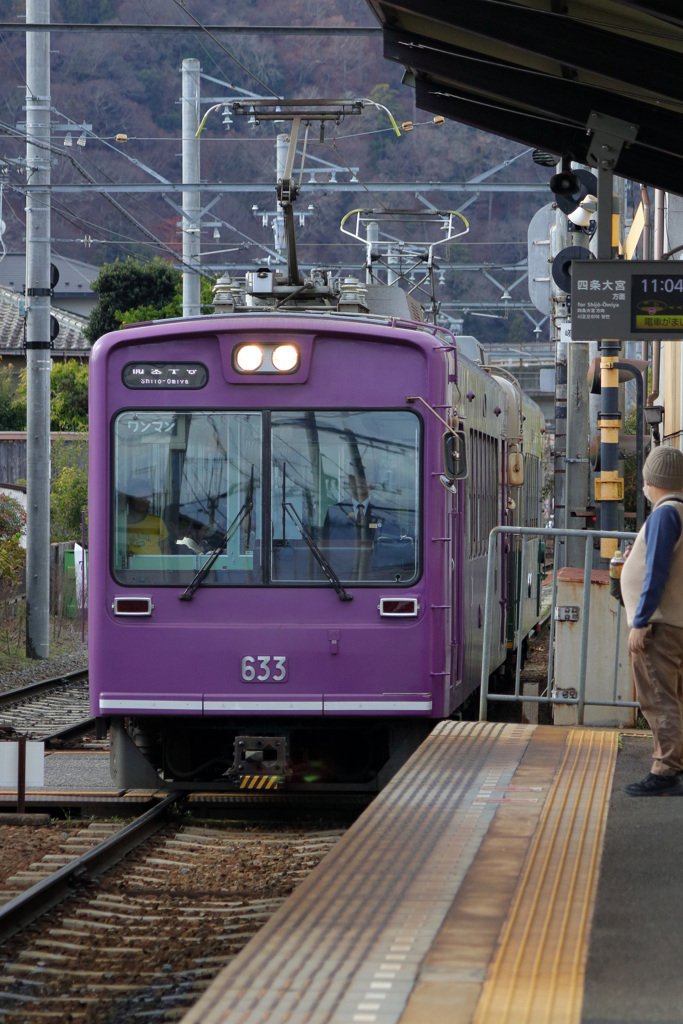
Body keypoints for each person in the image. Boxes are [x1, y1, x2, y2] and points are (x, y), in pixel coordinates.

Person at [620, 445, 683, 796]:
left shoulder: (665, 514)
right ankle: (674, 765)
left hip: (659, 624)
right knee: (674, 697)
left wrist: (641, 620)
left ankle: (665, 771)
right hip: (677, 621)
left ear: (652, 481)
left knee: (659, 698)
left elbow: (657, 572)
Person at [125, 478, 168, 556]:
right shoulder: (121, 524)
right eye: (139, 495)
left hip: (155, 567)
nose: (144, 500)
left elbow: (166, 550)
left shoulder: (157, 523)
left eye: (147, 496)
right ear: (129, 499)